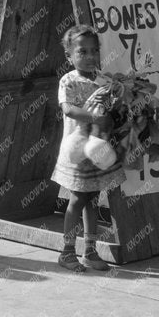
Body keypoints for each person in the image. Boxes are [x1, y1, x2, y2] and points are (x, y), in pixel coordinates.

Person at [52, 24, 124, 272]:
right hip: (77, 151)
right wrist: (95, 119)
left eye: (95, 51)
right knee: (78, 198)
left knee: (92, 199)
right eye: (82, 52)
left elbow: (111, 110)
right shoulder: (68, 80)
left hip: (97, 151)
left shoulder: (104, 80)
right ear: (69, 56)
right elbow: (69, 109)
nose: (90, 56)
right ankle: (67, 251)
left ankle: (90, 251)